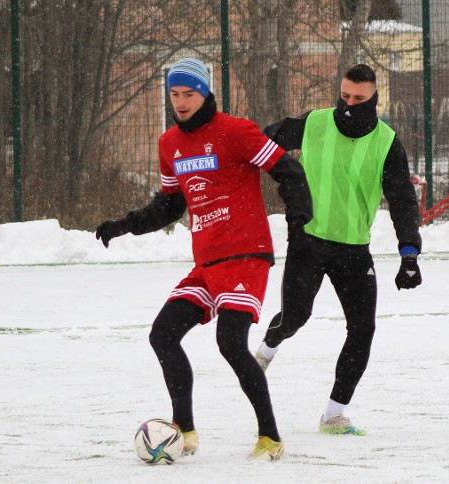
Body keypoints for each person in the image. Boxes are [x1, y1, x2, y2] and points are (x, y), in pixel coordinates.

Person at [95, 58, 312, 461]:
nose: (180, 101)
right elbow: (170, 205)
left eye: (188, 94)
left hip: (246, 256)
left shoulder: (237, 131)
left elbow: (289, 171)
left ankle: (270, 438)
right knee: (162, 334)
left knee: (230, 341)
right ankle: (186, 431)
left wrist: (298, 222)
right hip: (208, 262)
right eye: (174, 94)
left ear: (206, 92)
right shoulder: (169, 144)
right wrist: (125, 225)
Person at [254, 63, 423, 436]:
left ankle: (333, 415)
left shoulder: (387, 142)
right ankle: (266, 350)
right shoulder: (313, 123)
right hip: (307, 242)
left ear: (374, 99)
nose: (349, 104)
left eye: (358, 99)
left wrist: (409, 252)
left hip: (353, 251)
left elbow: (402, 199)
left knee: (363, 330)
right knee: (295, 317)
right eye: (344, 96)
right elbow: (259, 143)